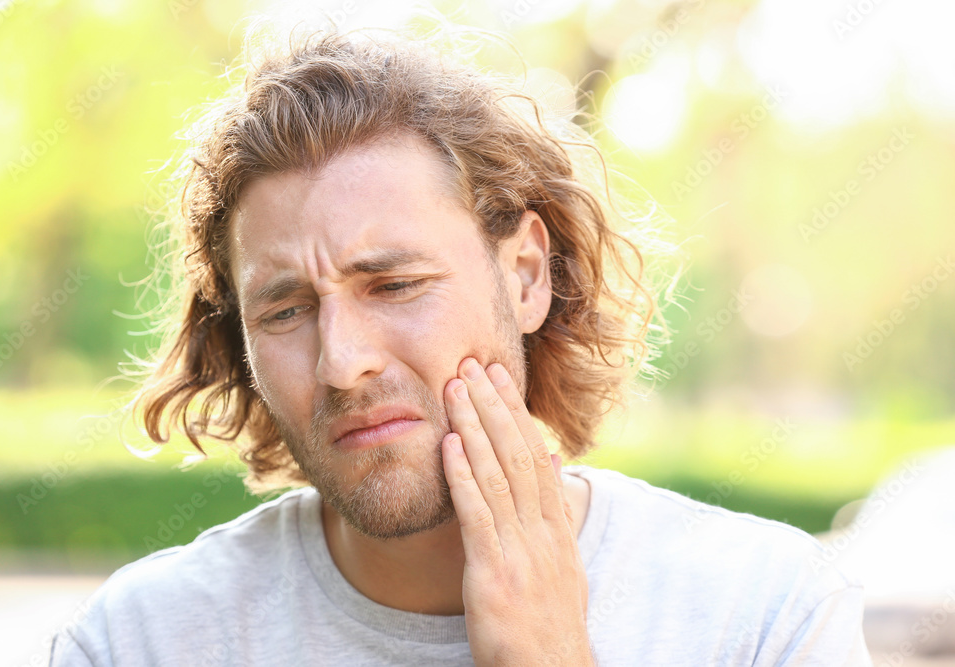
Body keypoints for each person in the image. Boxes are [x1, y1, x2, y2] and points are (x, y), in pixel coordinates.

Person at [50, 24, 872, 666]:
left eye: (394, 285)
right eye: (287, 311)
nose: (344, 361)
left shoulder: (764, 614)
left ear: (524, 276)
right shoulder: (139, 642)